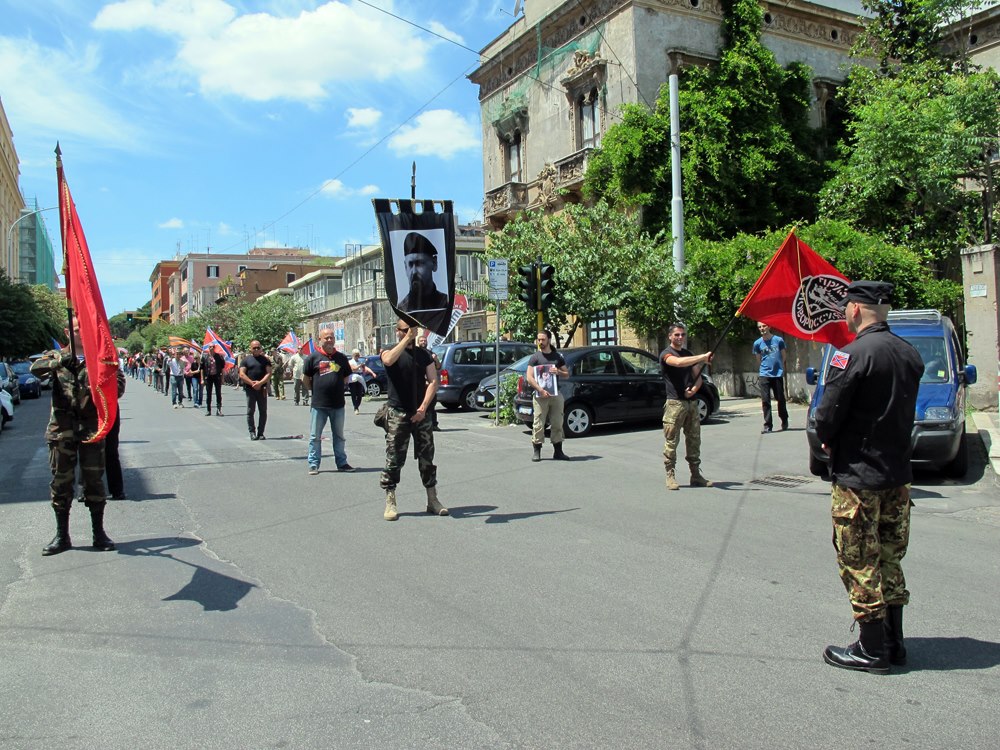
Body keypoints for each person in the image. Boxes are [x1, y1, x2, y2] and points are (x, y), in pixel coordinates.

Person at [814, 281, 924, 674]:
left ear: (856, 310)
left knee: (859, 561)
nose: (845, 314)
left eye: (846, 308)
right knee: (891, 558)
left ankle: (871, 649)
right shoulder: (909, 355)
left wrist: (825, 440)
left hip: (859, 478)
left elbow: (827, 415)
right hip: (897, 476)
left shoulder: (852, 355)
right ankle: (895, 644)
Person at [31, 315, 126, 556]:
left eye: (84, 328)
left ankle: (99, 533)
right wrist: (62, 360)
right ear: (66, 332)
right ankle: (62, 536)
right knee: (61, 484)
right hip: (61, 430)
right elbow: (36, 369)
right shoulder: (55, 356)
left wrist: (103, 372)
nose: (80, 332)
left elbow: (119, 389)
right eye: (76, 329)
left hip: (91, 429)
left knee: (94, 482)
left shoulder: (100, 358)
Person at [379, 319, 448, 521]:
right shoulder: (389, 350)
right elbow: (389, 360)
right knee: (394, 459)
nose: (408, 333)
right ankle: (390, 500)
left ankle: (432, 499)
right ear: (397, 331)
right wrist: (408, 337)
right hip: (398, 413)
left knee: (427, 458)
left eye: (411, 330)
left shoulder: (423, 354)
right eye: (404, 330)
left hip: (421, 414)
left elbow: (434, 381)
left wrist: (423, 408)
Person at [660, 323, 713, 491]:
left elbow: (697, 375)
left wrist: (694, 390)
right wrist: (702, 357)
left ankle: (696, 475)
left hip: (691, 403)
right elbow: (678, 363)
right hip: (675, 403)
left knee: (694, 440)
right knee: (671, 441)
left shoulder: (689, 354)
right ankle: (670, 475)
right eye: (677, 335)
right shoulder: (666, 354)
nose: (680, 337)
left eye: (682, 335)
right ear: (670, 336)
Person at [302, 329, 354, 475]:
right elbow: (305, 379)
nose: (330, 340)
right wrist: (316, 390)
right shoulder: (312, 358)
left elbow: (346, 377)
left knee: (339, 436)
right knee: (315, 436)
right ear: (320, 339)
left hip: (338, 405)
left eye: (332, 337)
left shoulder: (341, 358)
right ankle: (313, 464)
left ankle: (342, 463)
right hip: (319, 405)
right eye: (327, 338)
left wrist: (336, 387)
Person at [526, 329, 570, 462]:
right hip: (540, 396)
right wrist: (540, 389)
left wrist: (558, 372)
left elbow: (567, 374)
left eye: (543, 339)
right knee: (539, 423)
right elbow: (529, 377)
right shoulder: (535, 357)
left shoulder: (558, 357)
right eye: (538, 340)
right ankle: (537, 451)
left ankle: (558, 451)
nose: (540, 342)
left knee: (557, 422)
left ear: (549, 340)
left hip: (555, 395)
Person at [397, 232, 450, 312]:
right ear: (405, 267)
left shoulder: (446, 302)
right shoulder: (402, 309)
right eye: (410, 265)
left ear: (434, 263)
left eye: (419, 263)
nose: (414, 271)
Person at [752, 322, 789, 434]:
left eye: (763, 326)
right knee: (765, 400)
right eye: (759, 327)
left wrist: (779, 367)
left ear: (769, 326)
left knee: (780, 399)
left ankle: (784, 419)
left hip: (777, 374)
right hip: (764, 374)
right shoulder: (757, 343)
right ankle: (768, 425)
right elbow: (758, 359)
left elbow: (783, 356)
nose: (762, 328)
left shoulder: (778, 340)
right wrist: (765, 369)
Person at [239, 341, 271, 440]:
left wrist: (260, 383)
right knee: (250, 411)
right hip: (250, 389)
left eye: (258, 347)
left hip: (262, 389)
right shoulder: (246, 360)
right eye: (254, 348)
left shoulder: (265, 360)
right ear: (250, 349)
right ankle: (252, 432)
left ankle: (261, 433)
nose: (256, 349)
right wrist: (252, 383)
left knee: (263, 411)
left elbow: (269, 373)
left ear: (261, 348)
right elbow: (241, 374)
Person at [416, 334, 441, 430]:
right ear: (418, 342)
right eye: (421, 341)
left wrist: (436, 359)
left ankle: (434, 424)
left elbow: (438, 367)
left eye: (424, 341)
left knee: (432, 404)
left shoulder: (431, 353)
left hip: (430, 384)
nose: (423, 342)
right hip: (421, 384)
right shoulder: (416, 354)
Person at [347, 348, 374, 415]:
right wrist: (360, 365)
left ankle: (357, 405)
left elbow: (364, 368)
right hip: (352, 379)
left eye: (358, 355)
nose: (357, 356)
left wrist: (371, 372)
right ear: (353, 355)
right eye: (356, 355)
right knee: (353, 394)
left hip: (360, 377)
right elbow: (353, 368)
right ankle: (355, 408)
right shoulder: (350, 362)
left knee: (359, 394)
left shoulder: (360, 361)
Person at [201, 345, 225, 416]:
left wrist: (223, 378)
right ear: (208, 348)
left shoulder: (219, 357)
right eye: (210, 347)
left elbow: (222, 368)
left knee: (218, 393)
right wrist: (202, 379)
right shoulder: (205, 357)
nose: (211, 348)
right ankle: (208, 410)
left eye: (213, 347)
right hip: (208, 377)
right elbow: (202, 368)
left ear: (214, 348)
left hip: (217, 376)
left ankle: (219, 410)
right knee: (208, 393)